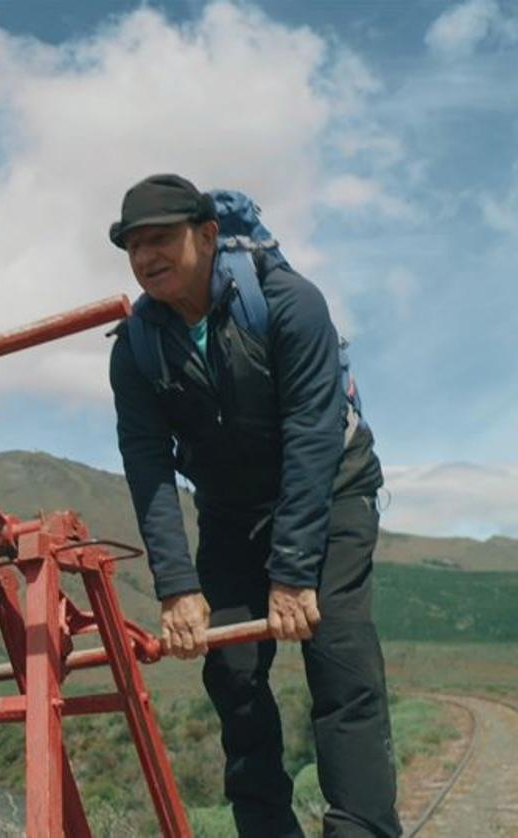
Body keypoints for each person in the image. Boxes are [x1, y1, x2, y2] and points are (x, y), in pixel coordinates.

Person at [107, 173, 400, 837]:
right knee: (233, 675)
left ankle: (362, 828)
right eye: (133, 246)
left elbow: (312, 432)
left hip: (331, 490)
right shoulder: (135, 348)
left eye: (162, 240)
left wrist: (294, 570)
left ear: (207, 236)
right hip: (233, 514)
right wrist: (178, 588)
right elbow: (148, 468)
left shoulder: (291, 303)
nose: (146, 257)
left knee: (340, 665)